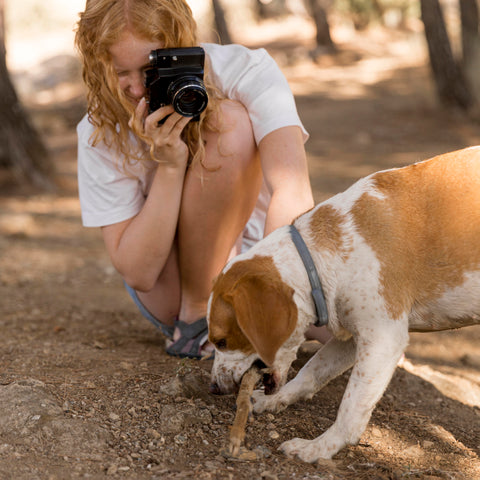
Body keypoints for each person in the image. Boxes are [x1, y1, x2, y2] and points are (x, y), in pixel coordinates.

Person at [75, 0, 330, 359]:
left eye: (150, 68)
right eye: (120, 72)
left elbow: (293, 189)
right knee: (232, 125)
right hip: (172, 291)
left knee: (352, 328)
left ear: (179, 43)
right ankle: (197, 319)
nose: (135, 89)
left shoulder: (245, 71)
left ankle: (247, 311)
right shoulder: (99, 130)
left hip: (258, 253)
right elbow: (138, 272)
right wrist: (170, 166)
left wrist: (269, 294)